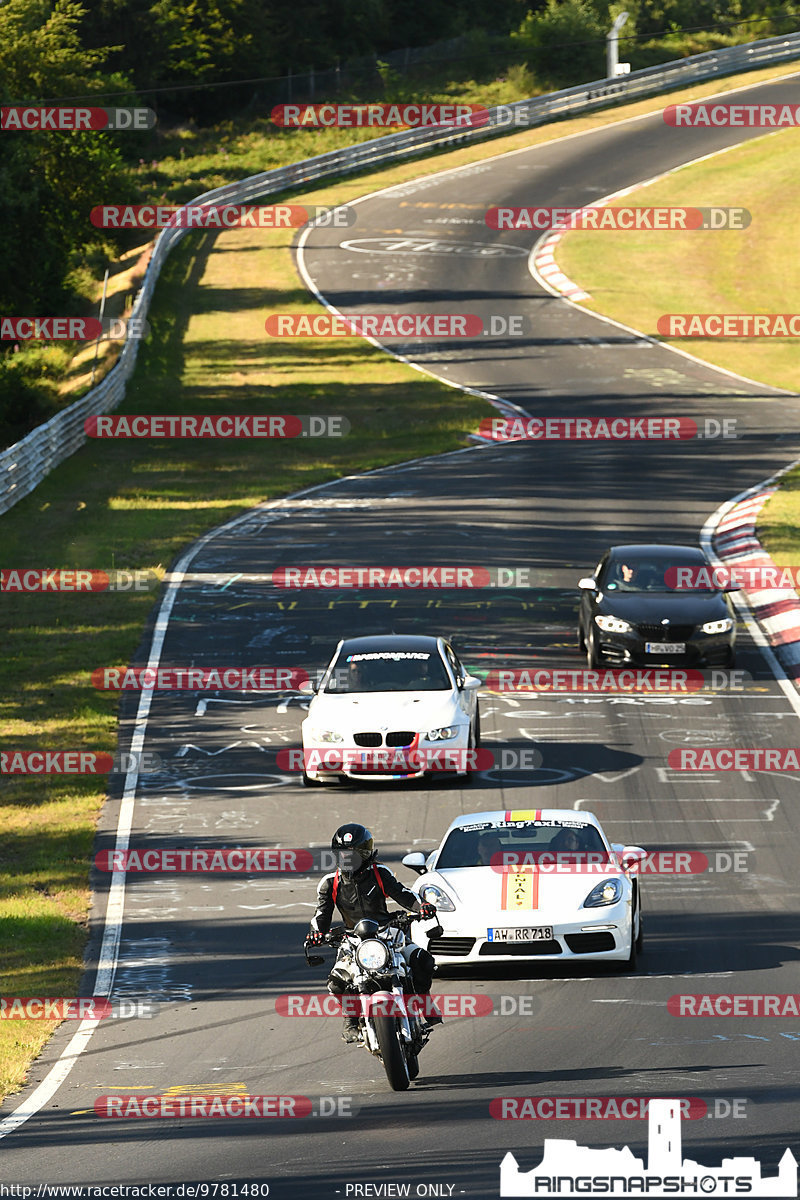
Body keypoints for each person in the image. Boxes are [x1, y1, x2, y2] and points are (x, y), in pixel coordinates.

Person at [305, 823, 439, 1043]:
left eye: (353, 856)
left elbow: (403, 894)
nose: (348, 861)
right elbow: (321, 914)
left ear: (366, 855)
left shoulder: (380, 872)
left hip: (388, 933)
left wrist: (421, 906)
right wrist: (316, 933)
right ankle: (350, 1020)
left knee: (423, 961)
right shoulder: (329, 883)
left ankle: (424, 1001)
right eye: (343, 856)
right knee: (336, 982)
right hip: (351, 940)